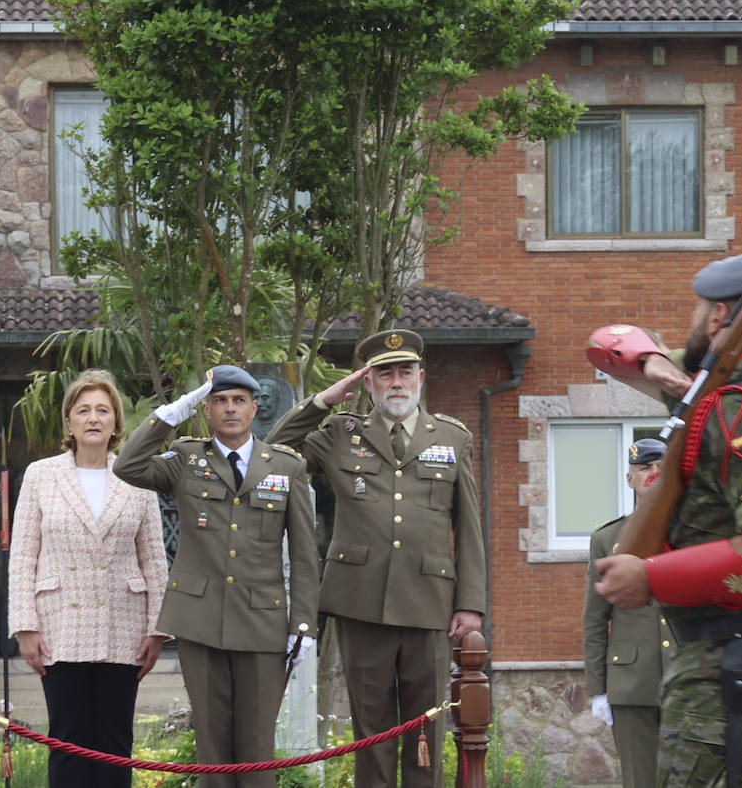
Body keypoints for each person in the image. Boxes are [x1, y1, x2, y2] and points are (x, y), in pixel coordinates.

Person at [593, 253, 742, 788]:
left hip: (739, 655)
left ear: (720, 317)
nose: (691, 322)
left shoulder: (736, 409)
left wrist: (649, 577)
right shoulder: (723, 386)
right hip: (732, 649)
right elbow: (605, 345)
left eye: (698, 311)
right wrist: (653, 360)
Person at [268, 329, 487, 788]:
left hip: (430, 604)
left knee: (425, 728)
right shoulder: (340, 433)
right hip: (360, 602)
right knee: (372, 730)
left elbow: (468, 528)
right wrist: (323, 402)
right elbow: (276, 450)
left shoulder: (452, 437)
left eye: (405, 372)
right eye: (384, 374)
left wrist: (470, 603)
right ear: (368, 383)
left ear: (421, 377)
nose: (396, 382)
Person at [114, 365, 319, 788]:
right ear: (206, 409)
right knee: (211, 744)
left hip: (262, 622)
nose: (230, 409)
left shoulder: (285, 466)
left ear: (254, 407)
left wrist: (303, 626)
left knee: (256, 746)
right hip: (199, 620)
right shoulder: (186, 459)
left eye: (239, 400)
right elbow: (128, 466)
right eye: (220, 401)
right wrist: (171, 413)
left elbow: (303, 555)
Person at [8, 369, 170, 788]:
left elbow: (154, 559)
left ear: (117, 421)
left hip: (124, 628)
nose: (93, 418)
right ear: (69, 422)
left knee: (116, 744)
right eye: (83, 410)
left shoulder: (137, 475)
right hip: (60, 626)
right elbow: (24, 555)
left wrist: (158, 629)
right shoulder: (41, 475)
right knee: (68, 741)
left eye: (103, 410)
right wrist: (25, 627)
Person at [582, 438, 676, 788]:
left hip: (688, 677)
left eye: (660, 467)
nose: (653, 473)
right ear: (630, 479)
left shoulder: (694, 532)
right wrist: (598, 689)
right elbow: (595, 618)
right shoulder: (609, 538)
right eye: (644, 468)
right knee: (640, 781)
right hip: (632, 682)